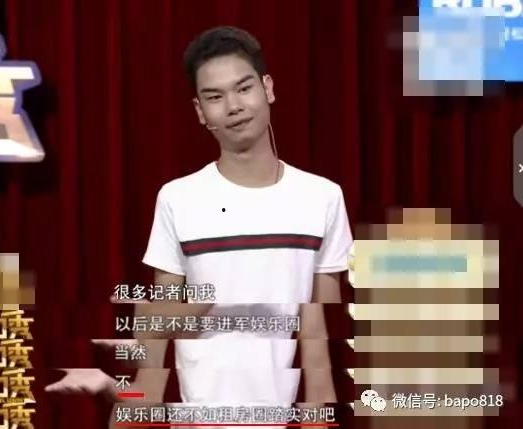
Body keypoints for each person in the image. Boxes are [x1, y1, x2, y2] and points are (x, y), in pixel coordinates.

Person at [47, 26, 353, 428]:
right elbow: (153, 355)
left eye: (244, 88)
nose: (234, 106)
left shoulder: (321, 197)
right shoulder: (178, 199)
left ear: (268, 88)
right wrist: (117, 399)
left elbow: (319, 338)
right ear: (199, 111)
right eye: (215, 96)